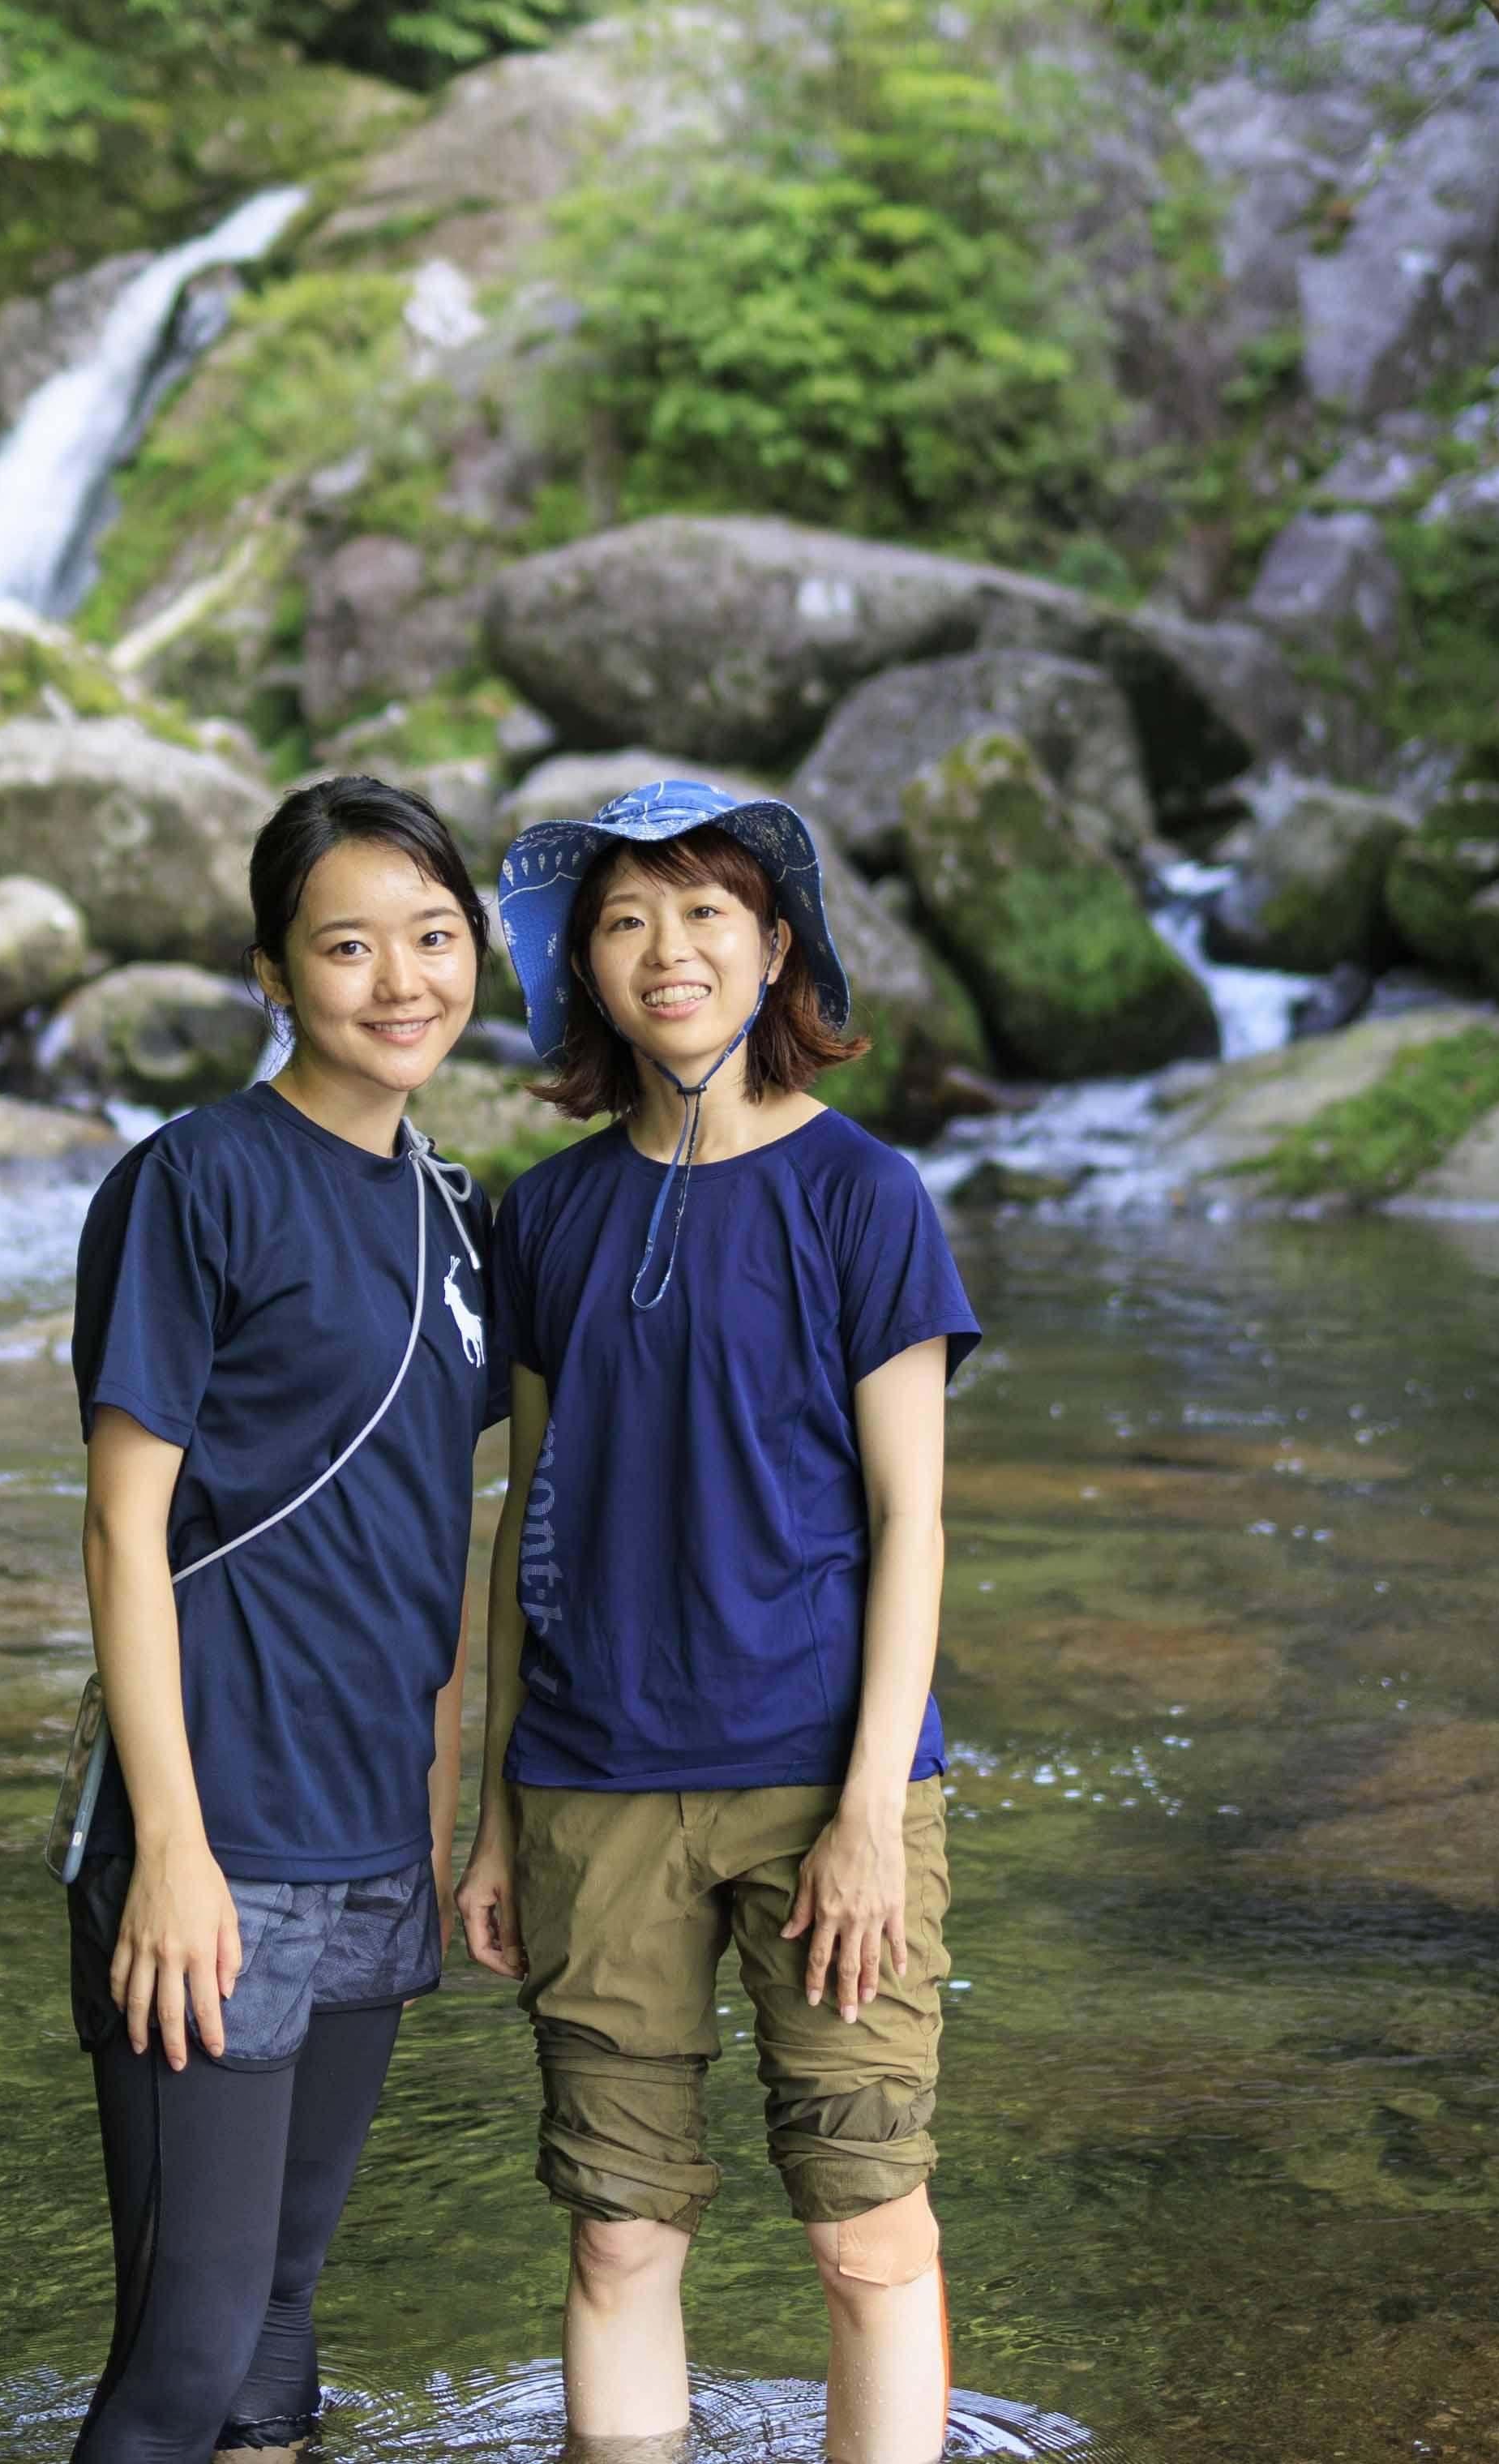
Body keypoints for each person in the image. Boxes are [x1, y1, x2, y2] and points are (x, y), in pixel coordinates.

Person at [455, 779, 973, 2464]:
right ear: (585, 971)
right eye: (624, 919)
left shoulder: (865, 1195)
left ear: (774, 948)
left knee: (865, 2229)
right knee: (617, 2229)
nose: (665, 949)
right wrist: (485, 1820)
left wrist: (872, 1817)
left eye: (703, 911)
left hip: (827, 1780)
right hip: (594, 1784)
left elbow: (914, 1520)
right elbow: (528, 1514)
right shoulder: (545, 1213)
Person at [58, 778, 505, 2464]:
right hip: (216, 1834)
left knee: (279, 2324)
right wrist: (169, 1848)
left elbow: (433, 1529)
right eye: (348, 943)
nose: (401, 978)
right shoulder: (195, 1183)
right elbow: (120, 1519)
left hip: (375, 1834)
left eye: (434, 936)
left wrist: (454, 1821)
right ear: (273, 971)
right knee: (186, 2351)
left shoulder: (458, 1215)